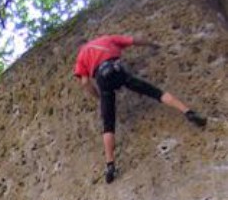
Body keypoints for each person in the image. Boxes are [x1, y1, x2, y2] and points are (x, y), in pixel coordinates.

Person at [74, 34, 206, 183]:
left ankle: (110, 164)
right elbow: (134, 40)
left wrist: (98, 97)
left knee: (108, 125)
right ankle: (188, 111)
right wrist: (152, 44)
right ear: (88, 40)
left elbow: (85, 82)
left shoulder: (81, 57)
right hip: (117, 69)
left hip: (102, 79)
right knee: (156, 92)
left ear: (79, 47)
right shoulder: (105, 39)